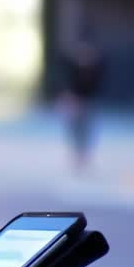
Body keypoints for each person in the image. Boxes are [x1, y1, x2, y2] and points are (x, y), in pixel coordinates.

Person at [57, 32, 106, 172]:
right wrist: (68, 98)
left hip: (89, 102)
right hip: (74, 100)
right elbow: (66, 84)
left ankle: (84, 156)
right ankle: (77, 156)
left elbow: (96, 87)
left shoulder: (97, 68)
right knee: (74, 128)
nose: (85, 55)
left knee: (87, 129)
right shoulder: (71, 66)